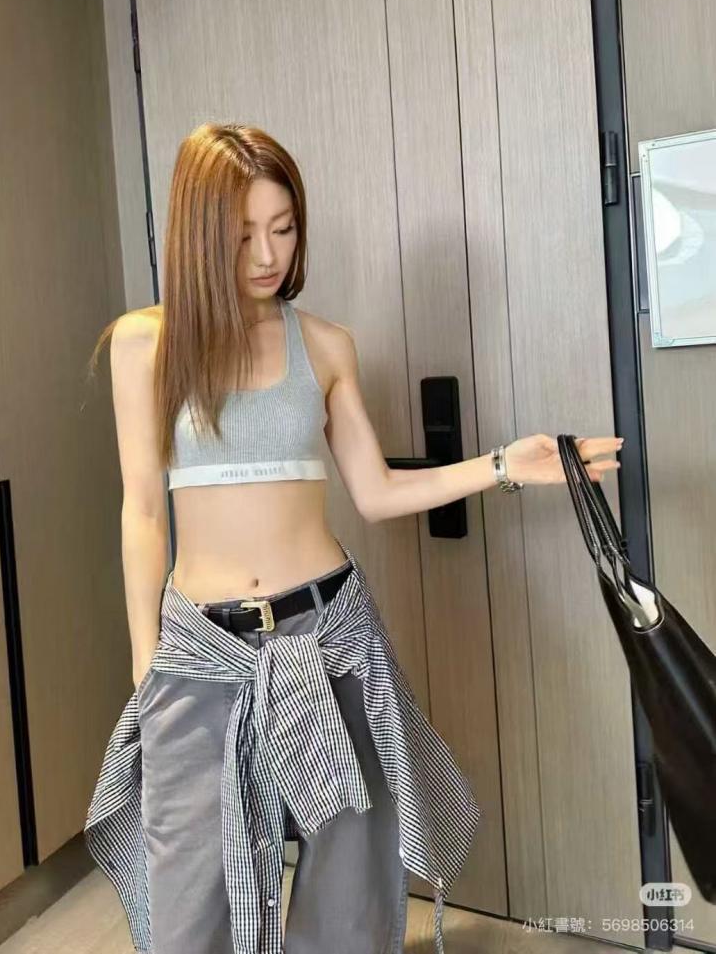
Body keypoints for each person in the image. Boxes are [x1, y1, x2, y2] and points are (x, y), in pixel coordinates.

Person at [83, 123, 624, 954]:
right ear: (198, 234)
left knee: (352, 891)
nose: (269, 254)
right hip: (200, 652)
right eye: (243, 235)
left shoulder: (325, 345)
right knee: (191, 901)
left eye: (283, 227)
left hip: (330, 635)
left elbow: (375, 493)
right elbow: (143, 512)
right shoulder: (143, 345)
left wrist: (502, 465)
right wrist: (143, 665)